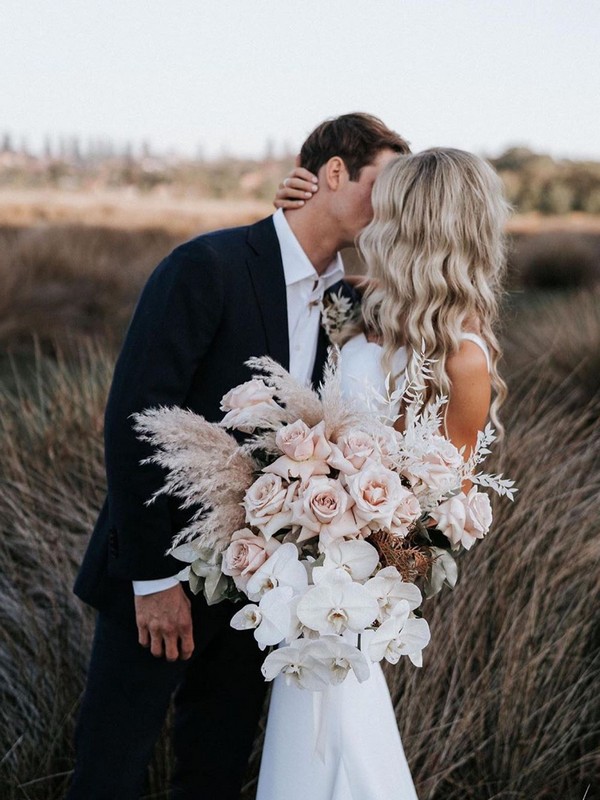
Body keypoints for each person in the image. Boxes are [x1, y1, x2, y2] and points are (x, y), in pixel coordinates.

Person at [67, 113, 410, 800]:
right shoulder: (207, 267)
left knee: (215, 777)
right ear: (334, 175)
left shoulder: (351, 301)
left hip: (261, 587)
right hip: (158, 572)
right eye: (386, 184)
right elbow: (136, 421)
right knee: (110, 774)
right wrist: (153, 579)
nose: (397, 203)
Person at [258, 147, 509, 799]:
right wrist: (291, 215)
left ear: (417, 229)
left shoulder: (461, 360)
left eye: (388, 212)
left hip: (352, 602)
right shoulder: (375, 309)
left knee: (342, 760)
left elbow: (437, 527)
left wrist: (346, 546)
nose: (371, 222)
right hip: (303, 588)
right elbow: (314, 274)